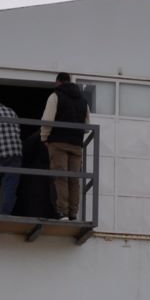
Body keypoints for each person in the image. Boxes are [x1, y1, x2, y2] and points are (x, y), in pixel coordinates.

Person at [39, 73, 91, 219]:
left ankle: (62, 212)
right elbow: (87, 127)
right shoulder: (83, 100)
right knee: (74, 179)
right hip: (76, 146)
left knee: (61, 177)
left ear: (58, 82)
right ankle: (73, 214)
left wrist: (44, 138)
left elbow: (47, 120)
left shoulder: (55, 96)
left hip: (58, 143)